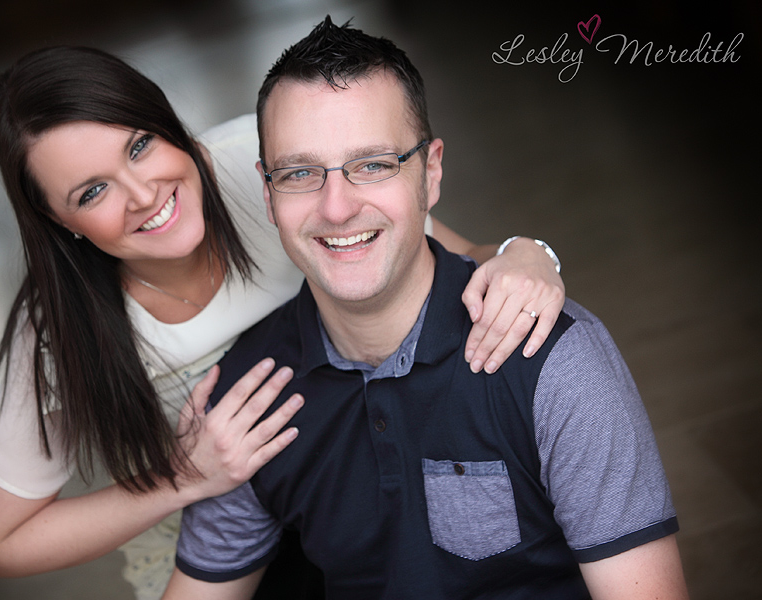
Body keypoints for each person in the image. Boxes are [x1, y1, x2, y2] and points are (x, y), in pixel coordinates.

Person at [0, 45, 566, 599]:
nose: (143, 195)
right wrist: (186, 477)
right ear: (58, 219)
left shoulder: (281, 173)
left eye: (140, 146)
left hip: (360, 505)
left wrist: (527, 253)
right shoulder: (58, 334)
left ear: (174, 129)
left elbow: (457, 259)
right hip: (207, 561)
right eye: (92, 192)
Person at [167, 17, 689, 599]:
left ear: (430, 173)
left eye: (373, 164)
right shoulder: (249, 397)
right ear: (268, 194)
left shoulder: (551, 358)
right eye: (300, 173)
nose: (336, 208)